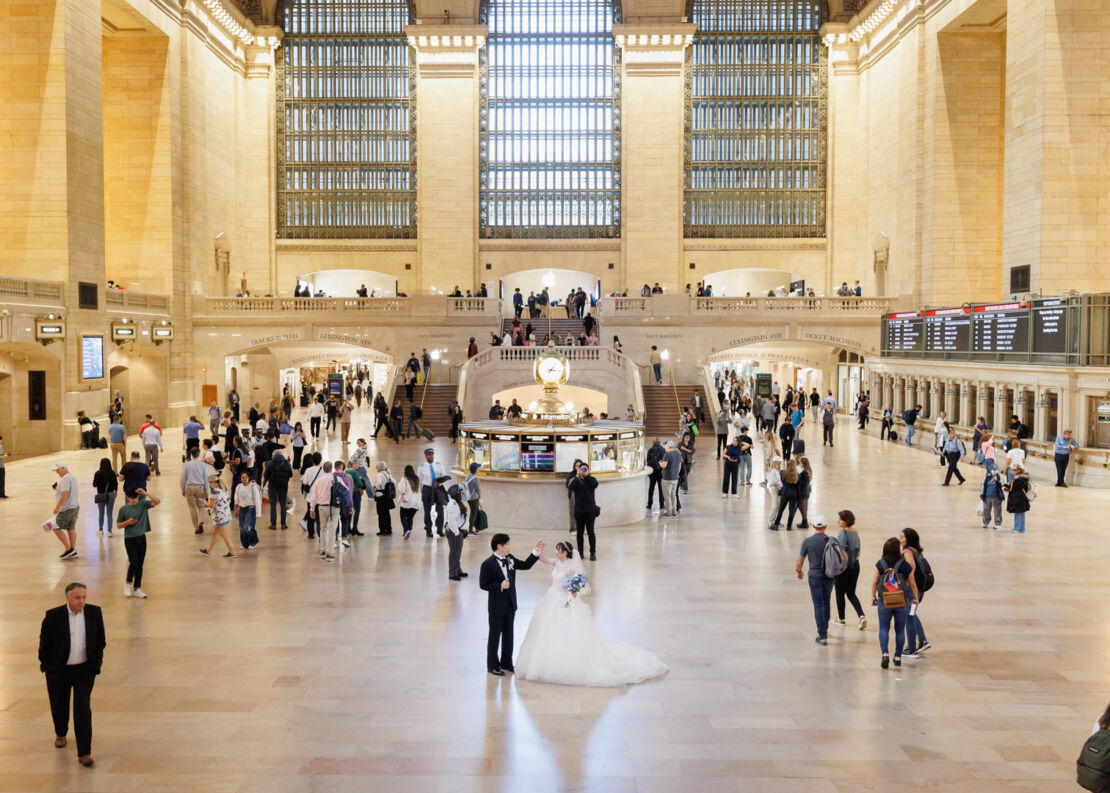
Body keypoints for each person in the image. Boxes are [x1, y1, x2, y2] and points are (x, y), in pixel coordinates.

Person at [515, 541, 669, 686]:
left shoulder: (571, 568)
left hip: (563, 600)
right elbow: (543, 560)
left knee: (566, 629)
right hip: (551, 598)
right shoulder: (557, 562)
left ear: (564, 553)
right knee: (547, 628)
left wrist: (573, 591)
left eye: (558, 550)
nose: (555, 552)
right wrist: (539, 549)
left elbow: (578, 582)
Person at [38, 583, 106, 767]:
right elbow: (44, 643)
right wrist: (46, 665)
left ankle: (84, 752)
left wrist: (95, 664)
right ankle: (61, 732)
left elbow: (100, 641)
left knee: (82, 709)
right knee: (59, 705)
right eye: (77, 598)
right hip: (59, 671)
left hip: (84, 670)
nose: (81, 601)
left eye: (84, 597)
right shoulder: (53, 616)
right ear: (67, 598)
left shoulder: (94, 613)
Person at [478, 533, 544, 675]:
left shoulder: (510, 559)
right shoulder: (487, 564)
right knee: (494, 636)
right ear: (499, 546)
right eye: (507, 544)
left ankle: (506, 662)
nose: (509, 546)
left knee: (509, 635)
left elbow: (525, 565)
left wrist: (535, 552)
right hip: (496, 607)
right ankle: (492, 665)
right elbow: (483, 584)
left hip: (510, 604)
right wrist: (500, 586)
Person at [870, 537, 918, 668]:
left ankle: (885, 653)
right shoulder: (905, 565)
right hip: (901, 601)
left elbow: (874, 582)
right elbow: (913, 585)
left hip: (884, 601)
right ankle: (897, 656)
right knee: (900, 630)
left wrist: (873, 596)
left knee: (884, 628)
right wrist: (915, 599)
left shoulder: (880, 564)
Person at [795, 515, 838, 645]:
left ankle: (822, 634)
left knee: (818, 604)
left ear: (813, 526)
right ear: (825, 526)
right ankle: (825, 629)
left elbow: (800, 561)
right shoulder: (832, 540)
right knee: (826, 602)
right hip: (829, 576)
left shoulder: (807, 541)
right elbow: (845, 558)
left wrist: (799, 571)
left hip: (814, 576)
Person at [116, 488, 159, 598]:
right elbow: (119, 525)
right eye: (131, 498)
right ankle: (128, 582)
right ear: (127, 497)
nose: (134, 500)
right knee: (134, 562)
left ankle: (137, 588)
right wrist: (128, 522)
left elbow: (157, 501)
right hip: (130, 539)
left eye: (135, 497)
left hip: (142, 538)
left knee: (140, 565)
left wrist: (145, 493)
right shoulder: (124, 510)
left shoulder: (143, 504)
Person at [832, 510, 867, 630]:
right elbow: (858, 550)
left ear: (846, 521)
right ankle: (861, 616)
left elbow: (839, 551)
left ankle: (841, 618)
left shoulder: (843, 533)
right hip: (855, 565)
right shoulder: (855, 532)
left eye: (840, 519)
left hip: (843, 567)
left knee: (839, 593)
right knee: (851, 593)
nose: (837, 521)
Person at [899, 528, 930, 656]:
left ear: (908, 539)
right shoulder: (916, 550)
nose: (900, 539)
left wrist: (906, 581)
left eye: (902, 537)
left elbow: (911, 566)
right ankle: (922, 641)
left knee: (909, 616)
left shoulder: (907, 552)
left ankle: (911, 649)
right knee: (911, 614)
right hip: (919, 590)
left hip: (912, 591)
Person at [308, 461, 341, 562]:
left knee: (323, 528)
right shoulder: (337, 479)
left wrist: (312, 509)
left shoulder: (319, 481)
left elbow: (313, 496)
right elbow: (346, 492)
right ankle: (330, 552)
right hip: (334, 508)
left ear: (323, 469)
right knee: (332, 529)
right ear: (331, 469)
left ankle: (322, 550)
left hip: (322, 507)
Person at [567, 463, 599, 561]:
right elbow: (570, 486)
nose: (583, 471)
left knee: (591, 532)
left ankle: (592, 552)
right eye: (582, 469)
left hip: (590, 511)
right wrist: (577, 476)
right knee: (579, 533)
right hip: (579, 512)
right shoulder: (576, 480)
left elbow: (595, 485)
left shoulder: (592, 479)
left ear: (588, 470)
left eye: (585, 469)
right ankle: (580, 553)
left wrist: (587, 476)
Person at [200, 474, 236, 558]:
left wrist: (204, 503)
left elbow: (211, 505)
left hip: (219, 517)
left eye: (209, 483)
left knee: (223, 535)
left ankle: (232, 552)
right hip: (225, 514)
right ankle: (209, 551)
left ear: (212, 482)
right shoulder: (224, 489)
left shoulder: (215, 492)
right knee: (214, 533)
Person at [50, 463, 80, 560]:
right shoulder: (72, 477)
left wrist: (57, 507)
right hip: (75, 506)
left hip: (67, 508)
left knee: (54, 527)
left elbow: (65, 493)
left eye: (58, 470)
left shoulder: (65, 478)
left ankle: (68, 549)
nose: (57, 472)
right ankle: (73, 550)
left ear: (63, 468)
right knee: (70, 528)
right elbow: (67, 491)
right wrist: (57, 489)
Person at [180, 447, 210, 535]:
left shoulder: (187, 464)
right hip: (200, 488)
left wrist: (182, 489)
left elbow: (182, 478)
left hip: (189, 488)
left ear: (191, 454)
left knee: (192, 508)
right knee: (201, 506)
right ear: (199, 453)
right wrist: (206, 490)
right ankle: (201, 521)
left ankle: (196, 527)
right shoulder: (203, 465)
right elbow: (205, 478)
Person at [418, 448, 448, 537]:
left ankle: (439, 529)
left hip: (438, 489)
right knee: (427, 511)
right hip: (427, 489)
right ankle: (428, 529)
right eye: (429, 455)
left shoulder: (439, 465)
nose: (431, 456)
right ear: (426, 456)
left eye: (432, 454)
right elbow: (420, 481)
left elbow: (444, 476)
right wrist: (420, 493)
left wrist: (439, 482)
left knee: (440, 510)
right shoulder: (422, 467)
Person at [444, 484, 469, 580]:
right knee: (454, 553)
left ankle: (458, 571)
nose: (461, 493)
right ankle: (452, 574)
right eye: (459, 492)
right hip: (454, 532)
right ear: (455, 494)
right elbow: (451, 521)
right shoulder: (452, 505)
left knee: (457, 552)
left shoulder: (457, 502)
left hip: (458, 531)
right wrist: (457, 533)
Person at [263, 451, 292, 531]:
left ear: (273, 455)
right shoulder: (286, 463)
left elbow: (265, 475)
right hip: (283, 487)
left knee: (273, 505)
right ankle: (283, 524)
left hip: (272, 487)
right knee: (283, 505)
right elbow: (290, 474)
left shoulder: (269, 463)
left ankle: (273, 524)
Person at [769, 460, 800, 531]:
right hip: (794, 494)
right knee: (791, 510)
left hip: (785, 493)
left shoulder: (782, 473)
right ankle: (789, 526)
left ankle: (776, 525)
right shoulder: (798, 475)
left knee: (781, 510)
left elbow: (782, 481)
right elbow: (798, 486)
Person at [91, 458, 118, 537]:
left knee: (101, 513)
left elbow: (94, 485)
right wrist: (116, 491)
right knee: (109, 513)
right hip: (110, 494)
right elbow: (116, 484)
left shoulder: (97, 473)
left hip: (101, 495)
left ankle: (100, 530)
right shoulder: (112, 473)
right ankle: (109, 531)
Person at [1006, 465, 1032, 533]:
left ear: (1018, 470)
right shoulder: (1017, 478)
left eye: (1014, 470)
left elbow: (1024, 488)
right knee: (1018, 514)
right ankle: (1018, 527)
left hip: (1020, 498)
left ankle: (1019, 528)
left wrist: (1018, 479)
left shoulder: (1021, 479)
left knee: (1020, 514)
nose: (1013, 471)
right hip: (1017, 498)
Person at [659, 440, 682, 517]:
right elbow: (679, 466)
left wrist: (660, 462)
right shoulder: (678, 454)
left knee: (667, 496)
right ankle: (674, 511)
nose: (664, 447)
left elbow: (664, 466)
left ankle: (668, 512)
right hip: (675, 478)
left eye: (665, 446)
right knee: (673, 495)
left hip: (667, 478)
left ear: (668, 446)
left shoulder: (667, 454)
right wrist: (677, 474)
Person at [397, 464, 421, 540]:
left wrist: (398, 484)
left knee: (403, 517)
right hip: (415, 503)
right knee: (410, 518)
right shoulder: (417, 479)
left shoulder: (404, 479)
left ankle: (407, 530)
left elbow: (401, 490)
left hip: (406, 503)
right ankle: (408, 531)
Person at [373, 461, 395, 536]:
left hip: (380, 496)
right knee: (387, 513)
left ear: (379, 467)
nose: (376, 469)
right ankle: (389, 529)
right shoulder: (388, 473)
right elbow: (394, 482)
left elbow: (379, 482)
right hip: (387, 497)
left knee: (380, 514)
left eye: (377, 468)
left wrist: (375, 486)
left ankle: (382, 530)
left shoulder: (379, 474)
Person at [461, 462, 482, 533]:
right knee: (474, 513)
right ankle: (470, 530)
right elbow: (478, 490)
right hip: (474, 498)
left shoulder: (467, 476)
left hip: (468, 498)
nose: (478, 469)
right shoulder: (476, 479)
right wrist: (480, 498)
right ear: (476, 469)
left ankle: (476, 528)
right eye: (477, 468)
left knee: (474, 512)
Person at [645, 437, 664, 512]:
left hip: (652, 472)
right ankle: (661, 505)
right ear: (659, 443)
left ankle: (649, 504)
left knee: (651, 488)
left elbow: (648, 462)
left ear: (653, 443)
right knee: (660, 489)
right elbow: (664, 460)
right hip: (660, 472)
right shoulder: (663, 450)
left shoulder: (650, 450)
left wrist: (650, 473)